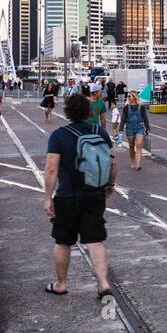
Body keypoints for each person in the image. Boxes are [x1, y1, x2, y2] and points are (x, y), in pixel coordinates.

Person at [42, 92, 116, 298]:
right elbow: (112, 162)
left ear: (67, 112)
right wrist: (110, 183)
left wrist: (48, 197)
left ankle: (61, 284)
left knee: (63, 241)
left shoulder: (59, 136)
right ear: (87, 111)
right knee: (95, 240)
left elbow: (51, 170)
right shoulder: (99, 131)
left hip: (67, 196)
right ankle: (102, 283)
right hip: (95, 194)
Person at [121, 91, 150, 170]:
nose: (129, 98)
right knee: (131, 146)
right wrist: (120, 130)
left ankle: (138, 164)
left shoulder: (141, 107)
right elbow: (123, 119)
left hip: (139, 127)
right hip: (129, 128)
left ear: (134, 96)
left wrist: (147, 128)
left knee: (139, 145)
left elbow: (145, 118)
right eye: (128, 96)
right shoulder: (126, 107)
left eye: (130, 96)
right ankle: (133, 162)